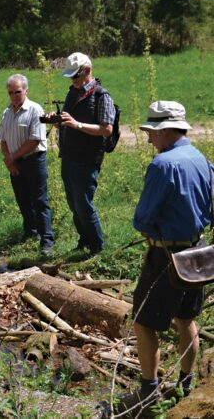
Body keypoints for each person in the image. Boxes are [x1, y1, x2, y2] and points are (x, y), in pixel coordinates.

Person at [104, 101, 212, 416]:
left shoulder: (162, 165)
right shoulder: (201, 158)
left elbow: (143, 218)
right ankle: (185, 383)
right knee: (186, 320)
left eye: (152, 133)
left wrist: (151, 232)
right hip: (198, 252)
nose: (150, 139)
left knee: (143, 323)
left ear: (165, 131)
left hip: (166, 255)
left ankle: (148, 392)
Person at [50, 52, 115, 255]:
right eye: (70, 77)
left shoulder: (101, 95)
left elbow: (106, 129)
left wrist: (77, 124)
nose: (73, 80)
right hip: (68, 156)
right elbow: (68, 123)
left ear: (87, 71)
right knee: (73, 204)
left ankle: (97, 247)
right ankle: (84, 241)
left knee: (83, 203)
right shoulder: (73, 93)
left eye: (75, 76)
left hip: (87, 159)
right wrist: (58, 121)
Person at [0, 74, 54, 256]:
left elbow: (35, 140)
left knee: (40, 200)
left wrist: (13, 156)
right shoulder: (7, 112)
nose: (14, 95)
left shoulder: (34, 110)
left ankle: (47, 240)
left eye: (18, 92)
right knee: (22, 199)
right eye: (11, 92)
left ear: (26, 91)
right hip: (15, 161)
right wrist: (9, 159)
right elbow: (3, 140)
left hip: (34, 160)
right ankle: (31, 232)